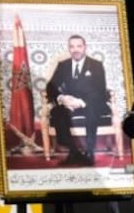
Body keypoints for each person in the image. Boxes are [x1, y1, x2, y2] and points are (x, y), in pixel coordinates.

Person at [46, 34, 108, 166]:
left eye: (79, 46)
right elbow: (50, 86)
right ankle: (73, 151)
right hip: (70, 103)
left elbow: (100, 90)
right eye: (72, 46)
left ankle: (90, 152)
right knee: (57, 112)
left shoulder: (96, 65)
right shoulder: (63, 65)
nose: (76, 49)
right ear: (69, 49)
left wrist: (81, 102)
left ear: (84, 47)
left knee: (92, 110)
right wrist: (62, 98)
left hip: (91, 102)